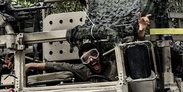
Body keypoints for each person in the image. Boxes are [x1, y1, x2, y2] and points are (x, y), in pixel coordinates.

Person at [24, 12, 152, 81]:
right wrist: (30, 65)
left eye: (93, 54)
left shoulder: (115, 65)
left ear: (100, 55)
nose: (91, 59)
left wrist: (141, 32)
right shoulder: (84, 71)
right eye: (85, 58)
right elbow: (59, 65)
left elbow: (133, 49)